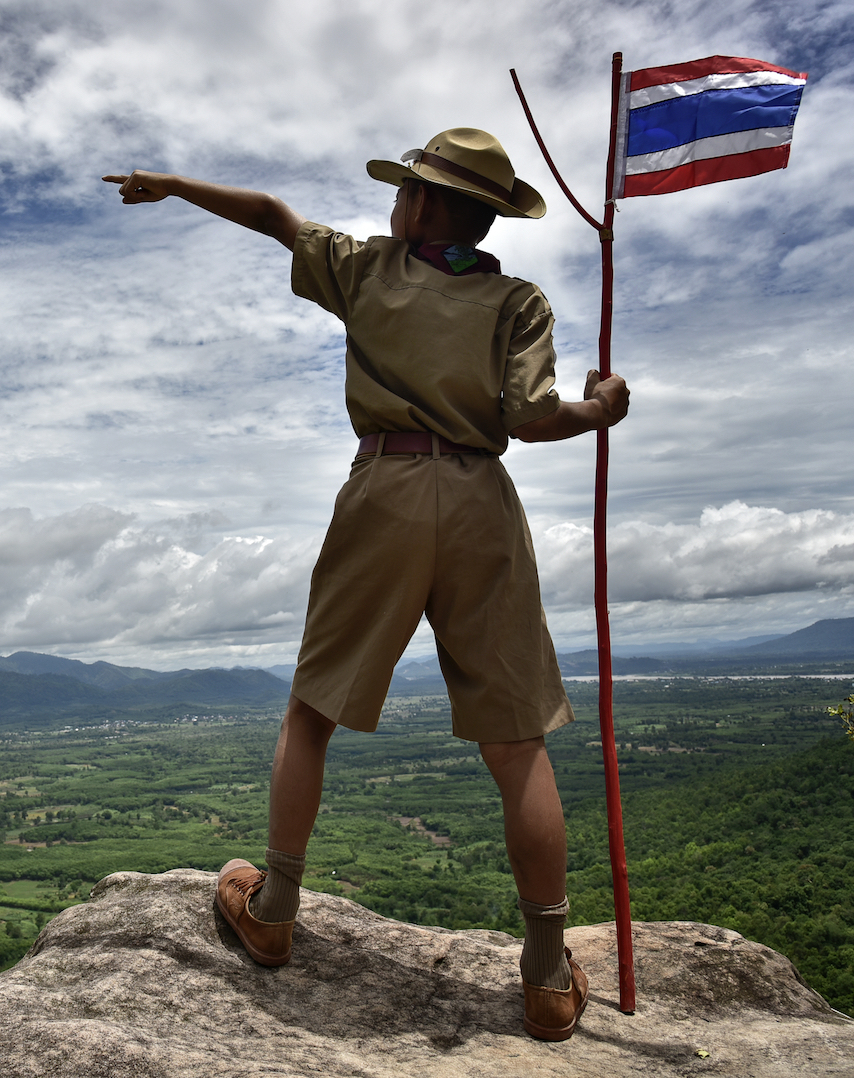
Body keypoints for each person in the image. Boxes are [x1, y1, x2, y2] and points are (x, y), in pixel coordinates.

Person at [103, 128, 629, 1043]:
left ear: (424, 203)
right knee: (517, 743)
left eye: (405, 190)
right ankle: (548, 978)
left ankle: (271, 911)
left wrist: (173, 185)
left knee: (312, 708)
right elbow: (533, 418)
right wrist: (604, 408)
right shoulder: (518, 299)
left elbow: (273, 217)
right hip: (478, 499)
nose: (394, 203)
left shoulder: (369, 271)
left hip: (382, 485)